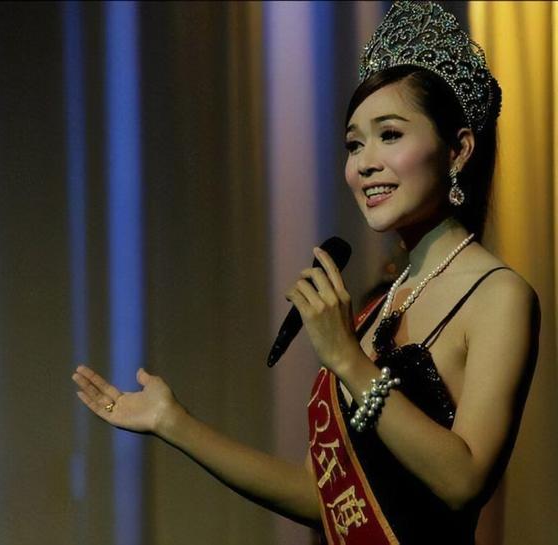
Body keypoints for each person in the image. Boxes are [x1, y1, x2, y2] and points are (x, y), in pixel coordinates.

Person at [71, 2, 540, 543]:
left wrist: (346, 359)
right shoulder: (379, 307)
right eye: (354, 144)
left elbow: (464, 480)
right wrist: (174, 423)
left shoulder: (499, 295)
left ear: (458, 150)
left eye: (389, 135)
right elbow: (324, 499)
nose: (364, 162)